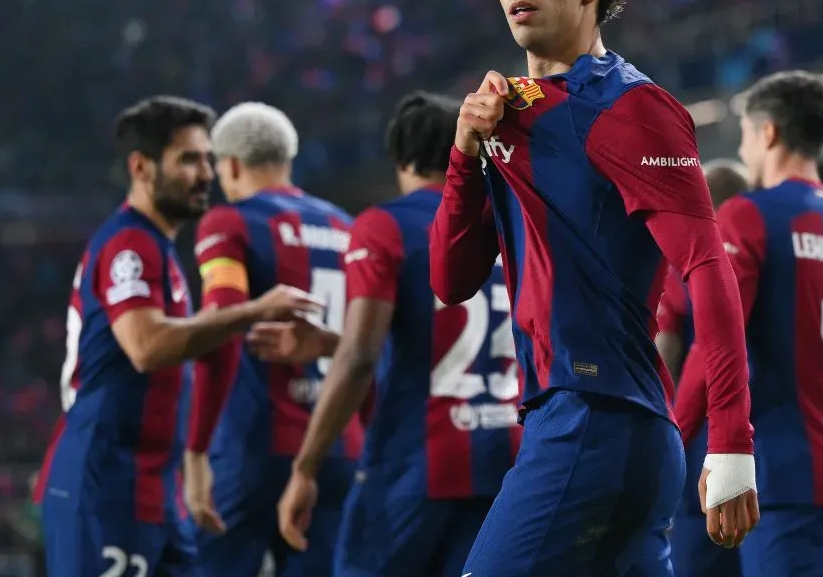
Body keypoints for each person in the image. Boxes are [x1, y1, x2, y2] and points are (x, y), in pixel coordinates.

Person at [427, 0, 759, 576]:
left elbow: (708, 267)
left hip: (592, 419)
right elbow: (451, 279)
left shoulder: (634, 108)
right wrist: (463, 155)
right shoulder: (508, 112)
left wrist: (732, 438)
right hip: (606, 428)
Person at [35, 96, 318, 576]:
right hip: (103, 487)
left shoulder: (159, 250)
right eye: (189, 159)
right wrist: (254, 311)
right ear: (142, 167)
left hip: (153, 489)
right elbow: (147, 347)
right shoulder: (130, 243)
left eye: (207, 158)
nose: (206, 173)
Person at [260, 92, 521, 577]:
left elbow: (361, 356)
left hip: (414, 466)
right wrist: (328, 343)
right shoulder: (504, 228)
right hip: (505, 457)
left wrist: (306, 468)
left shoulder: (385, 226)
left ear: (400, 157)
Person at [675, 71, 823, 577]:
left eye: (744, 134)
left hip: (782, 480)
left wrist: (673, 439)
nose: (743, 151)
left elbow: (718, 339)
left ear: (768, 133)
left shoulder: (749, 216)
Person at [182, 102, 364, 576]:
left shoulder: (228, 222)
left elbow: (219, 332)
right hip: (337, 445)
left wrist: (197, 449)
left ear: (232, 165)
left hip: (255, 445)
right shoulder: (347, 228)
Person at [659, 160, 751, 577]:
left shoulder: (687, 267)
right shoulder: (774, 258)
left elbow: (664, 353)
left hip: (702, 454)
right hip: (768, 450)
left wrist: (667, 438)